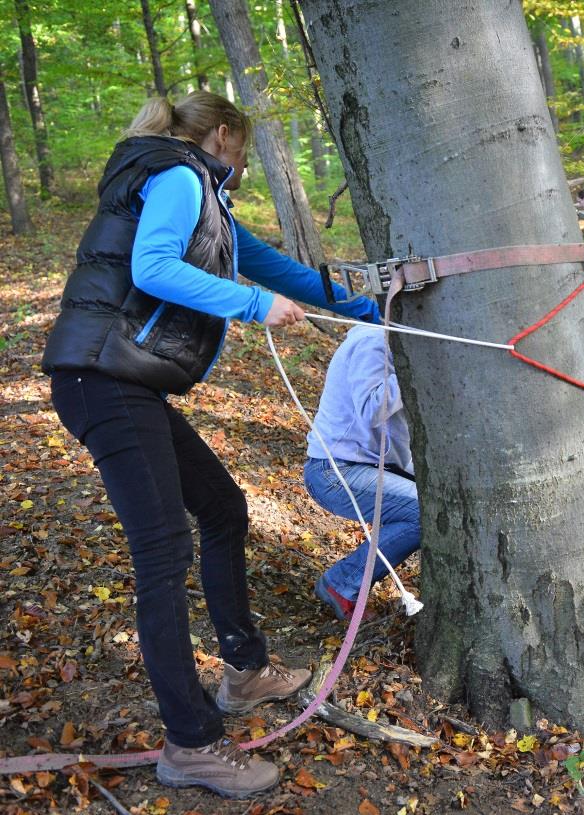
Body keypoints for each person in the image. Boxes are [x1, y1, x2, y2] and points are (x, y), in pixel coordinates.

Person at [40, 91, 383, 798]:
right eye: (244, 149)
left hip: (122, 379)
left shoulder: (213, 210)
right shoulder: (179, 177)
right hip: (102, 378)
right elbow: (153, 268)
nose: (244, 163)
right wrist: (254, 306)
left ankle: (244, 670)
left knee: (224, 508)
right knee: (163, 552)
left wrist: (376, 304)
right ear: (222, 136)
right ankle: (190, 743)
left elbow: (282, 271)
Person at [306, 324, 422, 622]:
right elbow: (373, 409)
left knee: (430, 502)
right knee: (425, 512)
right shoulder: (371, 342)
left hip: (366, 467)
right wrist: (424, 367)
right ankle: (341, 584)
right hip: (335, 472)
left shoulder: (397, 345)